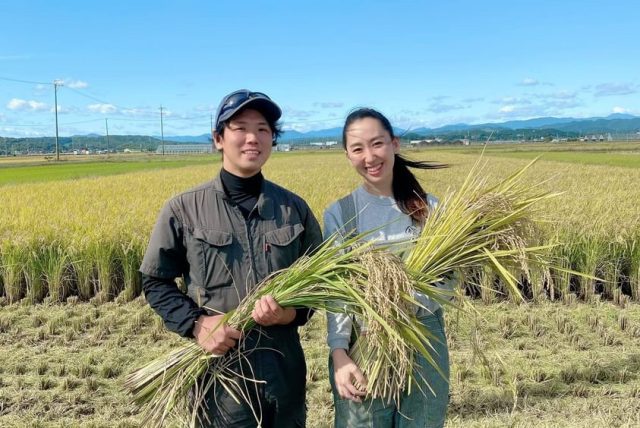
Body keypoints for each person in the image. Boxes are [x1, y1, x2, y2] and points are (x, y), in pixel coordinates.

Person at [140, 89, 323, 428]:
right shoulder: (183, 209)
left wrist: (289, 314)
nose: (252, 137)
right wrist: (197, 325)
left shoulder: (293, 209)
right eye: (240, 127)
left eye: (263, 129)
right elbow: (155, 281)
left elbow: (319, 286)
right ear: (218, 139)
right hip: (220, 380)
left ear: (273, 139)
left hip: (284, 375)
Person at [323, 107, 452, 428]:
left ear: (394, 144)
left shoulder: (430, 207)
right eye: (357, 148)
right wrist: (339, 351)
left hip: (423, 334)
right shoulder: (341, 213)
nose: (369, 156)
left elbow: (449, 279)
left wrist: (402, 302)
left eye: (377, 143)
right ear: (347, 155)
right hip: (363, 338)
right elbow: (337, 292)